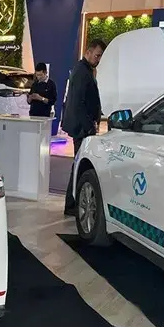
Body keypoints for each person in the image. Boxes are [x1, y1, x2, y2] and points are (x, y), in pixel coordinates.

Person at [62, 38, 107, 216]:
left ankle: (72, 202)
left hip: (83, 126)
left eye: (100, 56)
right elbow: (78, 104)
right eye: (97, 55)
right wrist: (90, 127)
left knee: (79, 165)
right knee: (79, 166)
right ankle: (71, 203)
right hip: (82, 128)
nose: (98, 59)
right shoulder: (82, 72)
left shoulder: (85, 70)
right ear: (88, 52)